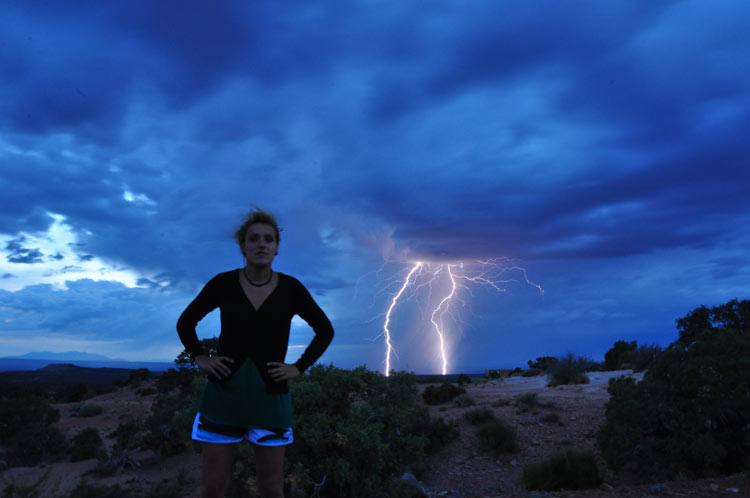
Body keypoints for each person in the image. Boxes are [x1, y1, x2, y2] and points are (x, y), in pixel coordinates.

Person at [176, 209, 334, 498]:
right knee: (213, 487)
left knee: (272, 489)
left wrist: (298, 367)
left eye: (269, 239)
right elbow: (185, 322)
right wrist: (200, 357)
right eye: (254, 239)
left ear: (277, 248)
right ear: (243, 246)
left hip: (270, 399)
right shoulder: (223, 284)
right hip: (224, 398)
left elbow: (325, 330)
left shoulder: (291, 289)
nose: (262, 244)